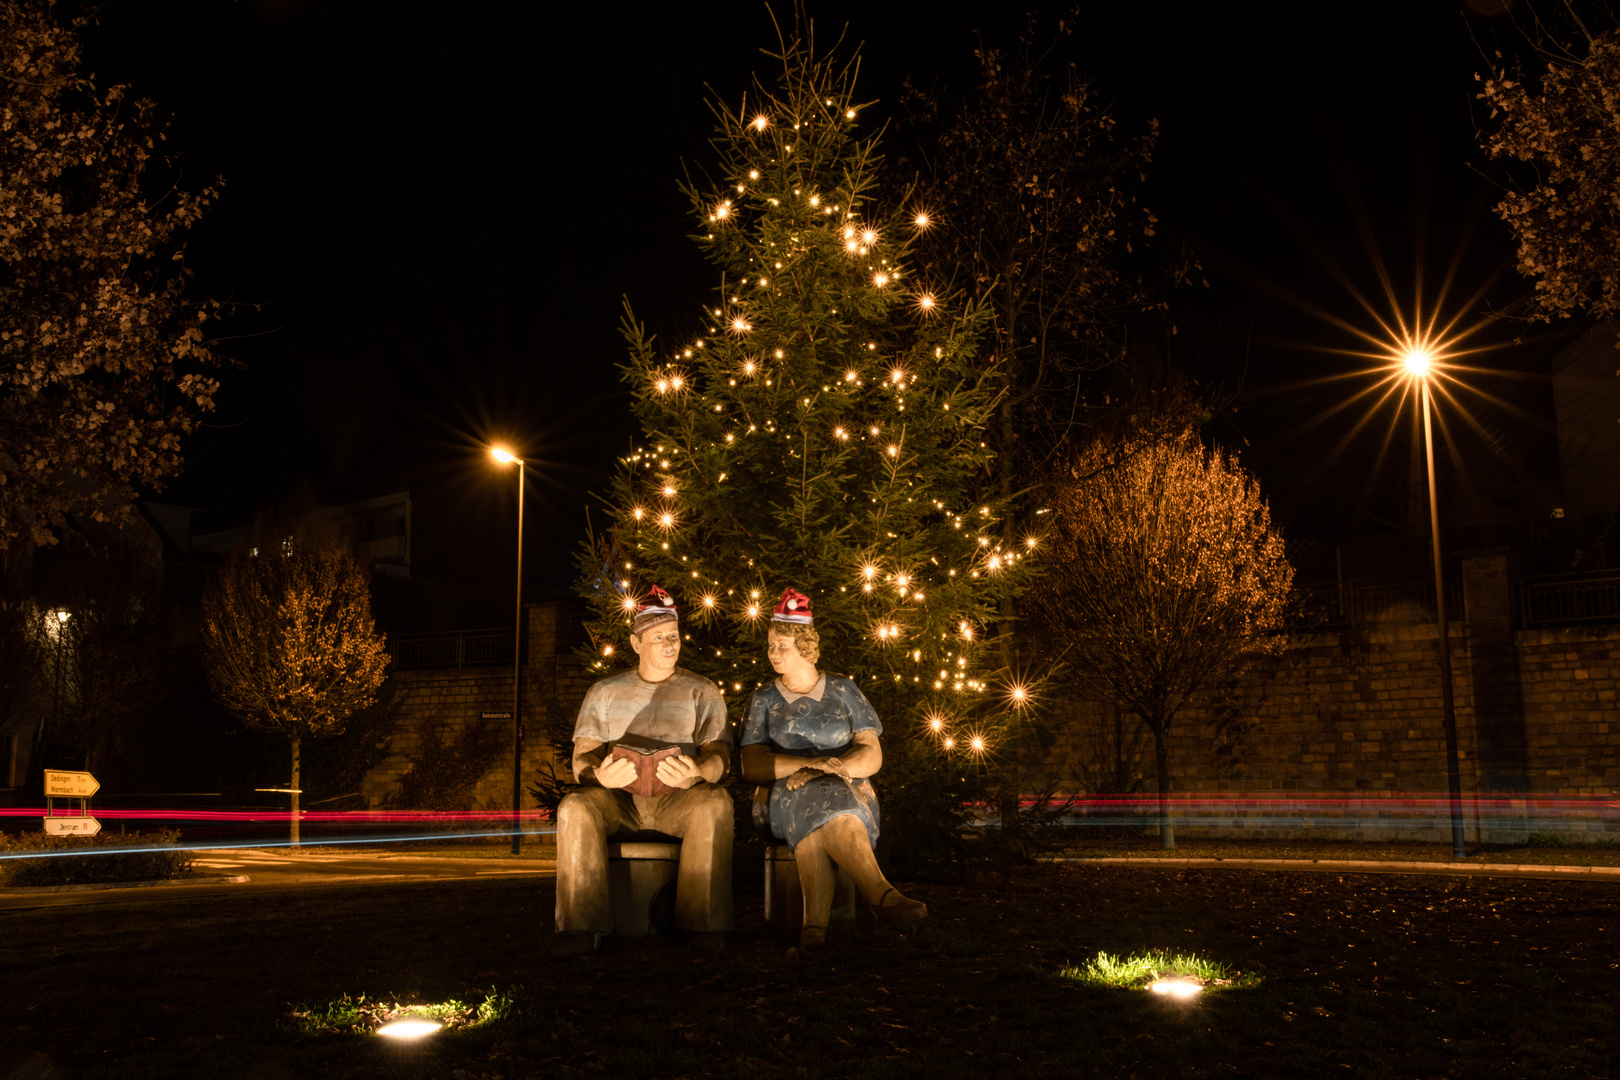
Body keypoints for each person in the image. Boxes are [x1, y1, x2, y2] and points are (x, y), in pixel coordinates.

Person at [551, 586, 733, 959]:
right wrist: (598, 777)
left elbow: (720, 755)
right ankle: (580, 928)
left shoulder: (703, 691)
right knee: (575, 807)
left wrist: (698, 772)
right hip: (620, 801)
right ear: (636, 643)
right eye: (658, 638)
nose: (670, 645)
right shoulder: (604, 692)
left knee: (715, 803)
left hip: (677, 800)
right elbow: (581, 758)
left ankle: (702, 926)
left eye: (674, 637)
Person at [740, 587, 927, 949]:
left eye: (782, 645)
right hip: (785, 793)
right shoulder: (763, 699)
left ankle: (814, 928)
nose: (773, 653)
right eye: (770, 645)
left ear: (805, 647)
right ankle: (879, 893)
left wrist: (833, 768)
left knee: (827, 802)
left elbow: (871, 753)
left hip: (848, 788)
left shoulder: (843, 690)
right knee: (819, 799)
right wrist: (809, 766)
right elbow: (752, 764)